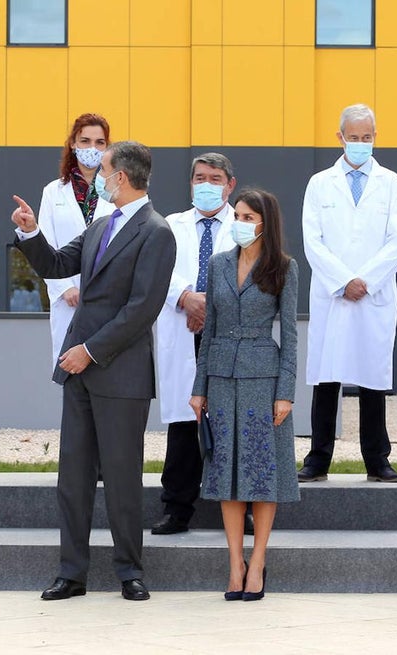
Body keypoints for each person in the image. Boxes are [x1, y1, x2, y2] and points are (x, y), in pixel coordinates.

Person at [11, 141, 177, 602]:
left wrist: (90, 350)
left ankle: (130, 572)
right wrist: (30, 232)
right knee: (74, 478)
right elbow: (58, 264)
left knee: (122, 478)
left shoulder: (157, 231)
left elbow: (142, 309)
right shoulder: (101, 224)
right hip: (79, 371)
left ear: (121, 176)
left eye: (103, 169)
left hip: (120, 374)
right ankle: (72, 573)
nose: (98, 176)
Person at [190, 188, 299, 601]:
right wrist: (199, 388)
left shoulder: (284, 267)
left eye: (248, 217)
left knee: (262, 471)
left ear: (265, 223)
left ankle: (258, 562)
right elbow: (209, 332)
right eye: (237, 215)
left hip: (263, 379)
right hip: (220, 379)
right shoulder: (218, 264)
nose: (240, 222)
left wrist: (285, 392)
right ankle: (235, 563)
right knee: (226, 473)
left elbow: (290, 336)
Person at [298, 103, 397, 483]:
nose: (360, 143)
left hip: (373, 296)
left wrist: (367, 281)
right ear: (340, 137)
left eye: (367, 137)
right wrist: (344, 281)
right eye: (353, 137)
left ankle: (377, 460)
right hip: (333, 294)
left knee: (372, 377)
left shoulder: (391, 184)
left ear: (375, 137)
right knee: (326, 377)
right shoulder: (319, 183)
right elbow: (313, 241)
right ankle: (318, 458)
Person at [151, 153, 237, 536]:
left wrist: (207, 306)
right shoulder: (171, 225)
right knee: (185, 425)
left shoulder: (244, 224)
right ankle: (176, 509)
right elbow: (158, 269)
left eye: (215, 178)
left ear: (230, 185)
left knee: (229, 423)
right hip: (182, 327)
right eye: (200, 178)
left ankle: (238, 507)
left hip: (226, 333)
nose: (206, 185)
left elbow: (250, 273)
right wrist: (186, 297)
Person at [36, 113, 115, 368]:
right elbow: (45, 246)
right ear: (73, 144)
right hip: (67, 298)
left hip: (107, 296)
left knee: (104, 369)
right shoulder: (53, 192)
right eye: (85, 141)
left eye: (99, 143)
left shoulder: (117, 190)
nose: (92, 148)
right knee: (69, 369)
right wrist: (64, 288)